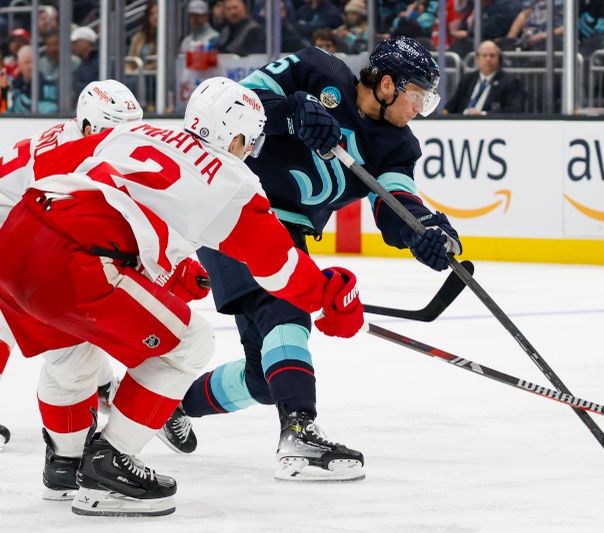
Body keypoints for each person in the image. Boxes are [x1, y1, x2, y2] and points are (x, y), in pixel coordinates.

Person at [0, 77, 363, 516]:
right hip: (74, 261)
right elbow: (280, 268)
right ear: (234, 136)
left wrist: (170, 268)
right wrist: (328, 299)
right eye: (250, 140)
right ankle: (109, 463)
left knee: (72, 359)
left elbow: (83, 184)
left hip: (18, 238)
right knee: (190, 344)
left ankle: (65, 466)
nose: (250, 151)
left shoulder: (134, 132)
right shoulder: (231, 180)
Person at [163, 36, 462, 483]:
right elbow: (238, 101)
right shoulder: (315, 68)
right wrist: (291, 113)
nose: (420, 108)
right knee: (286, 308)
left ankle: (167, 403)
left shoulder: (396, 146)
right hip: (235, 203)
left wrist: (428, 235)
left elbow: (397, 203)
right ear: (386, 85)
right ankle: (299, 431)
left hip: (287, 232)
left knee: (264, 378)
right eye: (417, 95)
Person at [0, 80, 144, 466]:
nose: (122, 139)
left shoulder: (79, 138)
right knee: (33, 326)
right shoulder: (69, 156)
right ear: (86, 125)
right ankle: (102, 390)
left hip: (15, 226)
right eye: (113, 129)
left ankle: (102, 387)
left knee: (67, 329)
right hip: (8, 229)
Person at [445, 40, 524, 115]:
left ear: (499, 59)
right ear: (477, 59)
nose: (488, 59)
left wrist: (484, 114)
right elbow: (452, 105)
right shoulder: (468, 79)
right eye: (484, 55)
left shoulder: (510, 82)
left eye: (492, 56)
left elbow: (514, 110)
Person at [8, 45, 59, 113]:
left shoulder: (49, 83)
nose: (31, 66)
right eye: (27, 62)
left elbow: (51, 108)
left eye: (33, 62)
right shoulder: (12, 84)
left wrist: (22, 102)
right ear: (19, 65)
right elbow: (4, 110)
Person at [71, 27, 99, 99]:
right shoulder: (82, 63)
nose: (73, 47)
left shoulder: (101, 63)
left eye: (75, 43)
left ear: (86, 43)